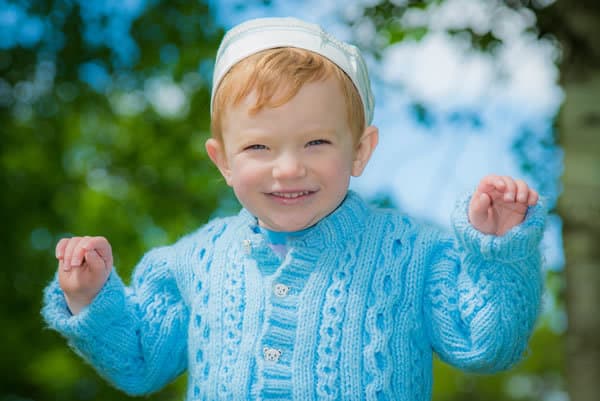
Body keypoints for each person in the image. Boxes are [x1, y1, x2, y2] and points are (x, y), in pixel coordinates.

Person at [42, 17, 546, 401]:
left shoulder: (413, 253)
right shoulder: (192, 263)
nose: (288, 169)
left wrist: (497, 253)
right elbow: (138, 362)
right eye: (259, 148)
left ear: (360, 151)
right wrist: (90, 301)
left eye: (316, 142)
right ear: (223, 161)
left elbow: (486, 347)